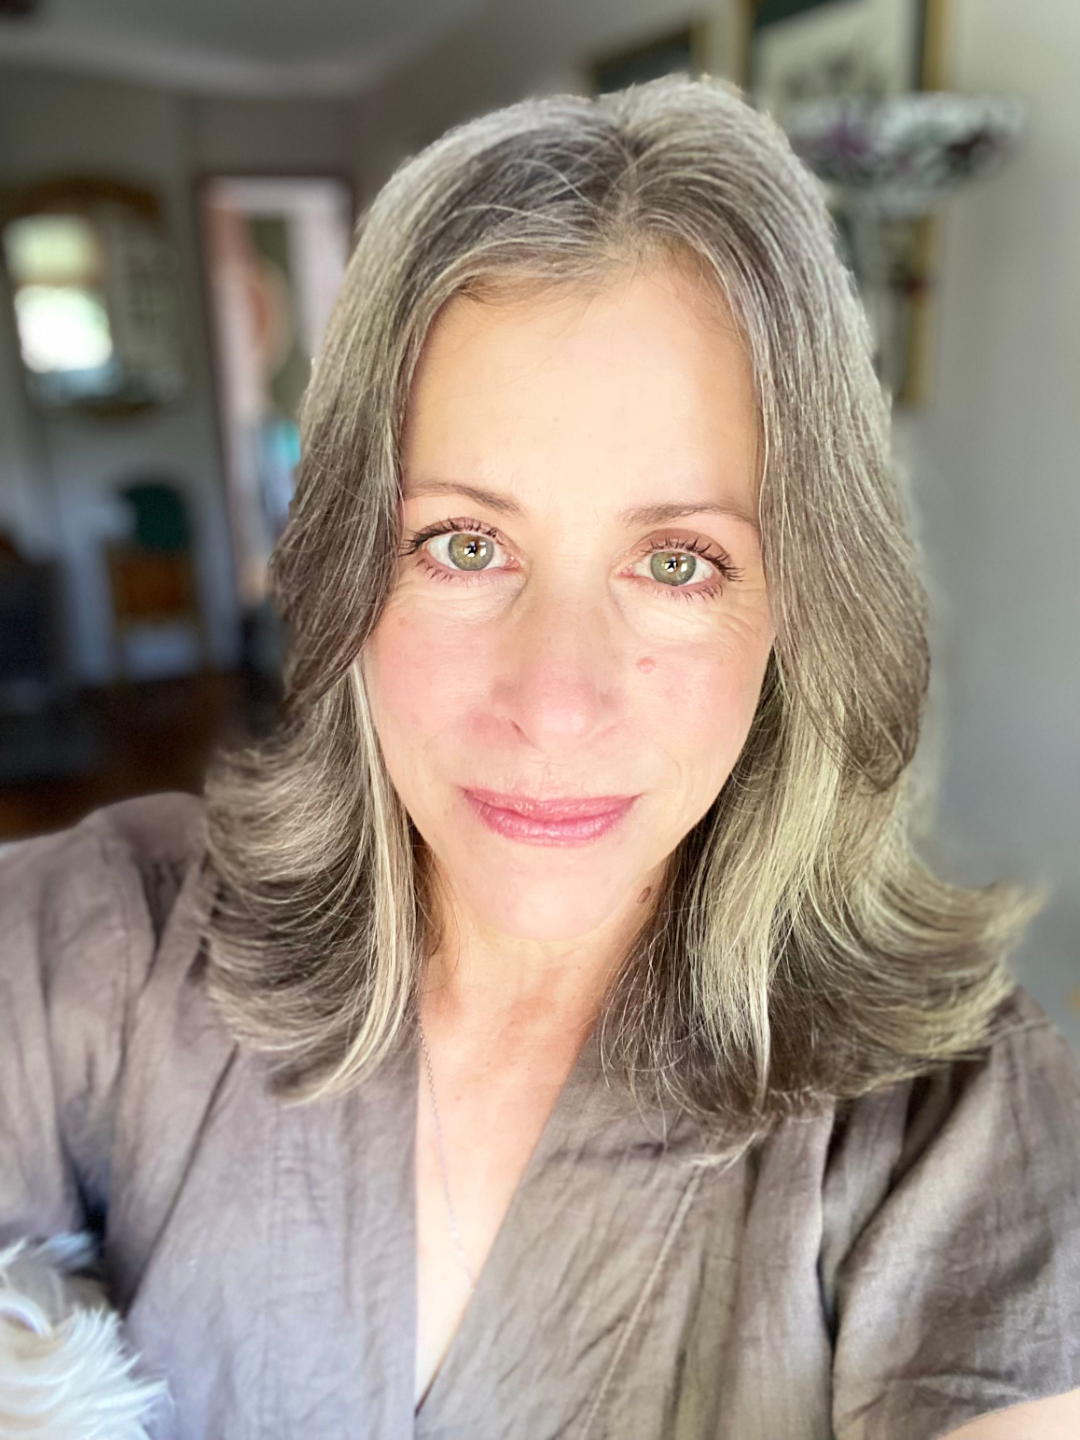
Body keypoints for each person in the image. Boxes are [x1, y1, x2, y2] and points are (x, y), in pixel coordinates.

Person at [1, 73, 1078, 1440]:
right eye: (464, 544)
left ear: (802, 607)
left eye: (679, 561)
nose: (556, 707)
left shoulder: (949, 1127)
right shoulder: (107, 943)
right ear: (343, 567)